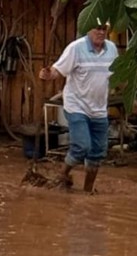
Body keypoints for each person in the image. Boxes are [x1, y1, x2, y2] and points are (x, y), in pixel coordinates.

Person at [38, 24, 118, 193]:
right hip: (77, 106)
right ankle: (62, 176)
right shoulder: (76, 48)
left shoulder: (111, 49)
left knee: (97, 153)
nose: (101, 32)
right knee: (82, 146)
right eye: (97, 28)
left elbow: (117, 75)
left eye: (104, 29)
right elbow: (58, 70)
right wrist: (47, 74)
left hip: (99, 108)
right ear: (88, 29)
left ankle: (88, 191)